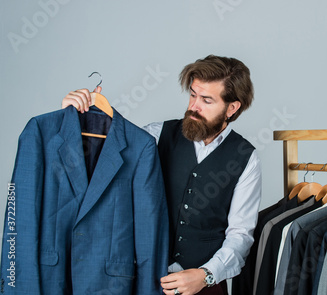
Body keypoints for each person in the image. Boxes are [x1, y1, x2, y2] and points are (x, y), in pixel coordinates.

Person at [62, 55, 262, 295]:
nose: (194, 107)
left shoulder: (245, 157)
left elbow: (240, 234)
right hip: (142, 280)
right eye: (192, 95)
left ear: (232, 107)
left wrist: (206, 275)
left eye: (206, 100)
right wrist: (76, 118)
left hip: (204, 286)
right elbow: (99, 159)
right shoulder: (155, 136)